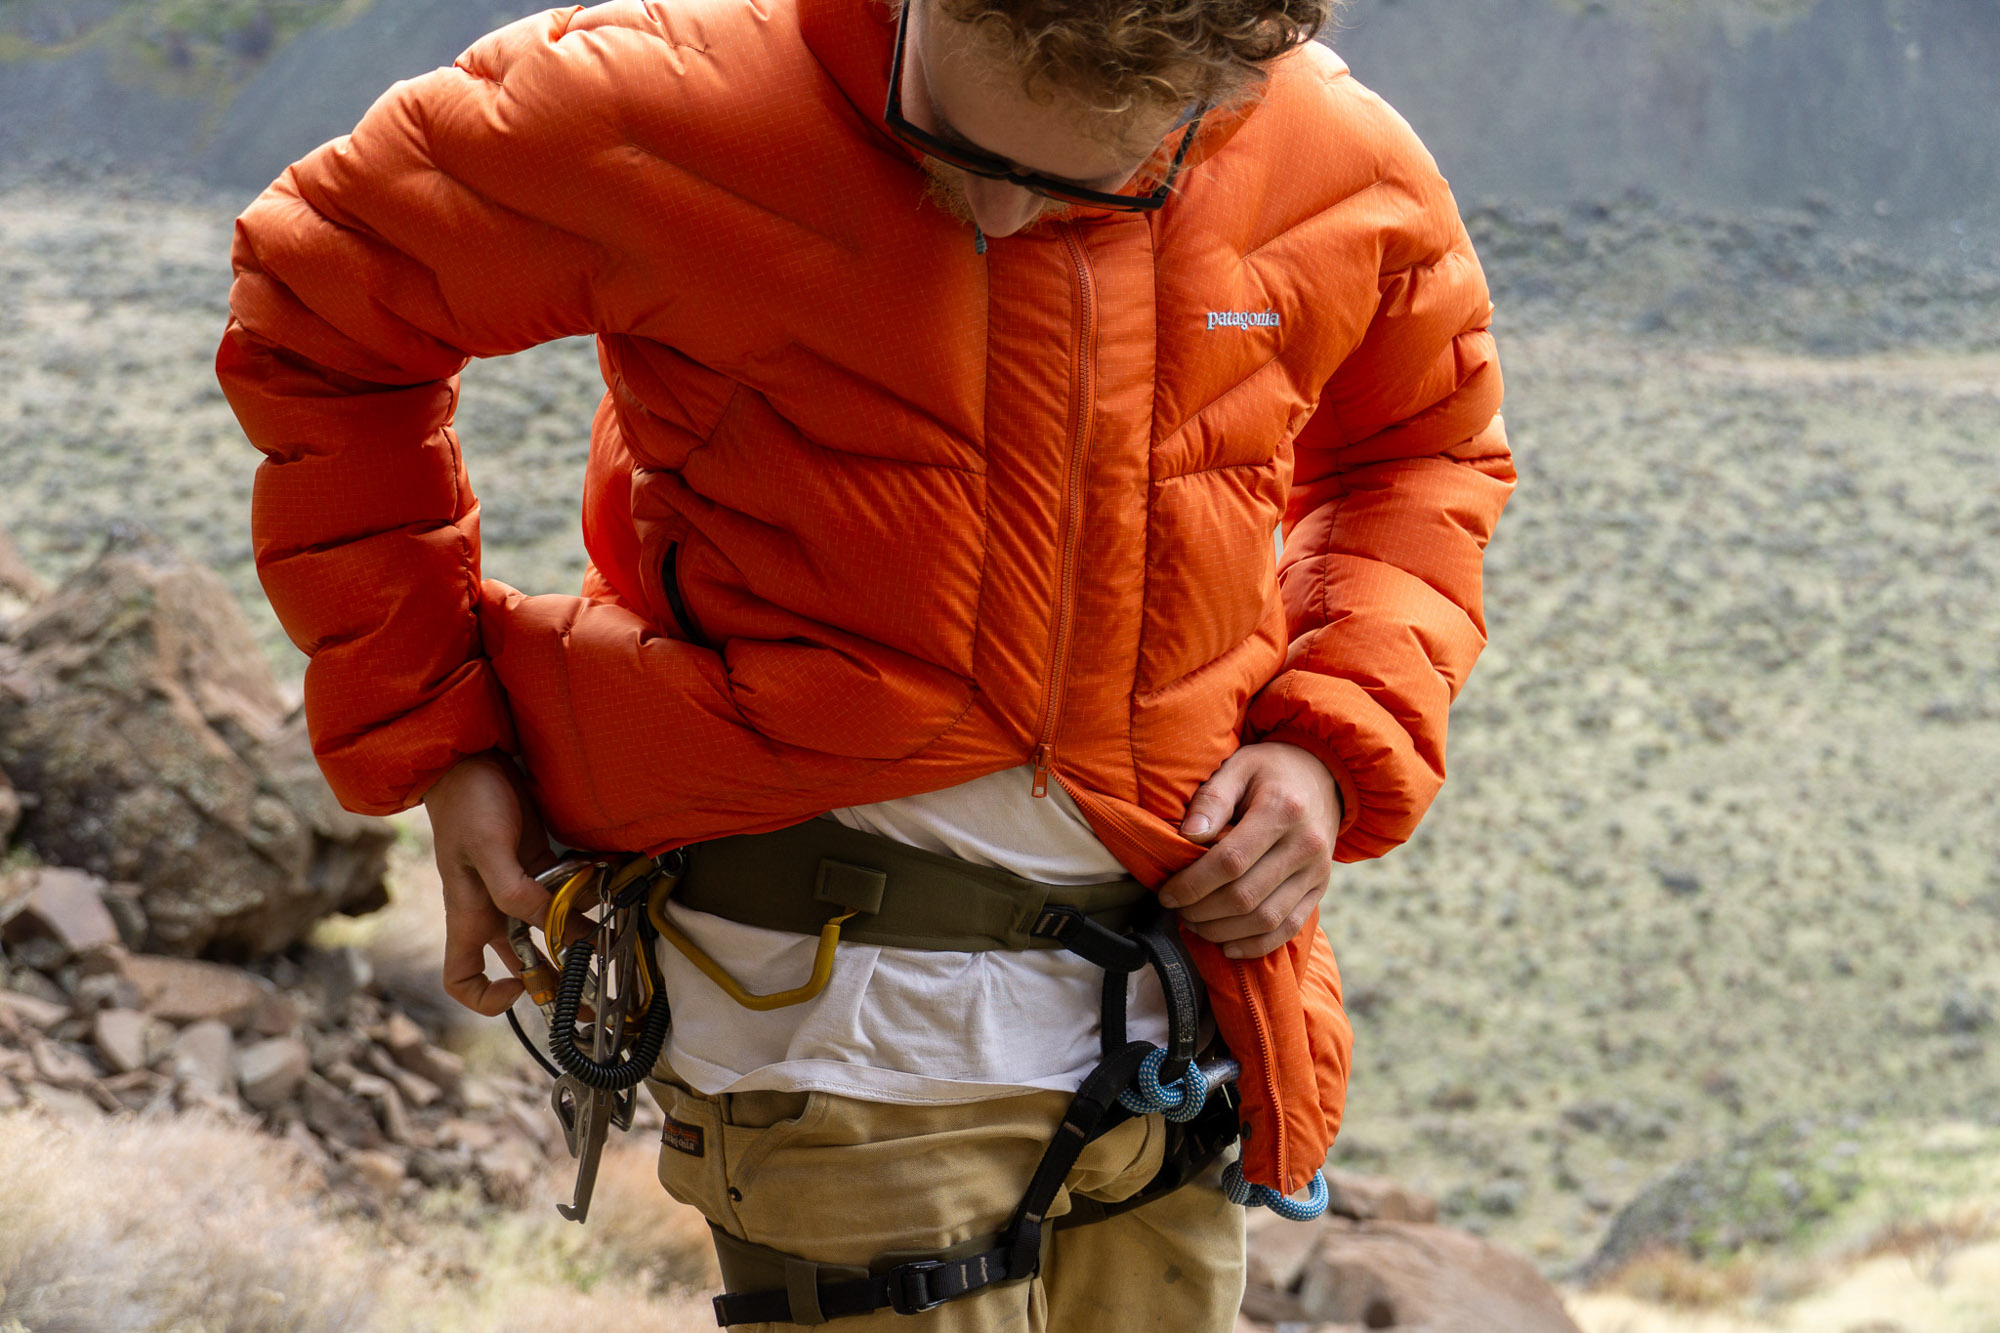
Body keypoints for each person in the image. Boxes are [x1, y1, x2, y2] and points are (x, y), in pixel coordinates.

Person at [216, 0, 1513, 1325]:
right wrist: (443, 734)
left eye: (1089, 180)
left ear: (1228, 87)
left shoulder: (1332, 155)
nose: (999, 218)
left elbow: (1425, 449)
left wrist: (1329, 738)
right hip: (822, 1028)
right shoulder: (665, 103)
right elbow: (318, 308)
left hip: (1175, 1040)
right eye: (948, 140)